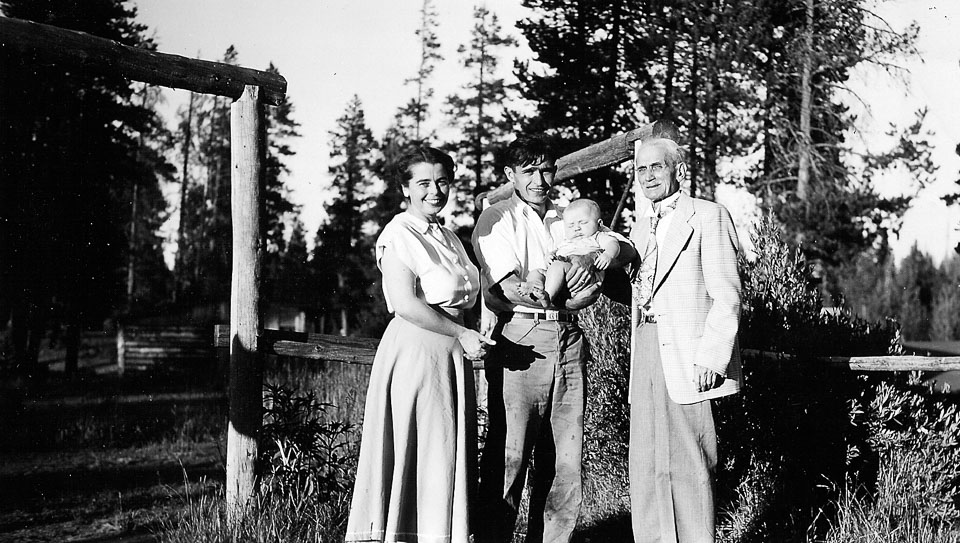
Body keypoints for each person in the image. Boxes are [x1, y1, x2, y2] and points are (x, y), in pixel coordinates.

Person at [472, 136, 635, 543]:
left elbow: (624, 248)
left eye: (546, 169)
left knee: (565, 459)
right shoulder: (497, 218)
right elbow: (505, 287)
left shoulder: (568, 218)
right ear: (510, 175)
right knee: (510, 455)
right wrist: (548, 287)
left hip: (569, 336)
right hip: (522, 335)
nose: (539, 179)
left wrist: (602, 257)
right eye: (528, 171)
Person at [345, 146, 495, 543]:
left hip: (450, 356)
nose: (435, 191)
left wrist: (470, 333)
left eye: (442, 181)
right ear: (405, 189)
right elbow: (407, 304)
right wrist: (462, 334)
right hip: (417, 354)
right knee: (422, 453)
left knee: (442, 454)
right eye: (423, 183)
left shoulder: (449, 236)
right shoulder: (398, 234)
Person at [626, 137, 742, 543]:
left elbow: (727, 293)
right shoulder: (640, 228)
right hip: (645, 348)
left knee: (691, 463)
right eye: (641, 169)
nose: (649, 176)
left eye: (657, 167)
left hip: (689, 356)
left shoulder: (709, 216)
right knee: (647, 462)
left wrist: (713, 357)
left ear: (679, 170)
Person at [522, 198, 625, 308]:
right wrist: (550, 256)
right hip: (562, 275)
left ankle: (548, 296)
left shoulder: (597, 236)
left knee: (557, 265)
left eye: (583, 223)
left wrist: (608, 254)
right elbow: (558, 251)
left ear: (599, 223)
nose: (577, 228)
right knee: (537, 272)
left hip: (584, 277)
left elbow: (613, 243)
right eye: (570, 225)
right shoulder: (567, 241)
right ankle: (535, 285)